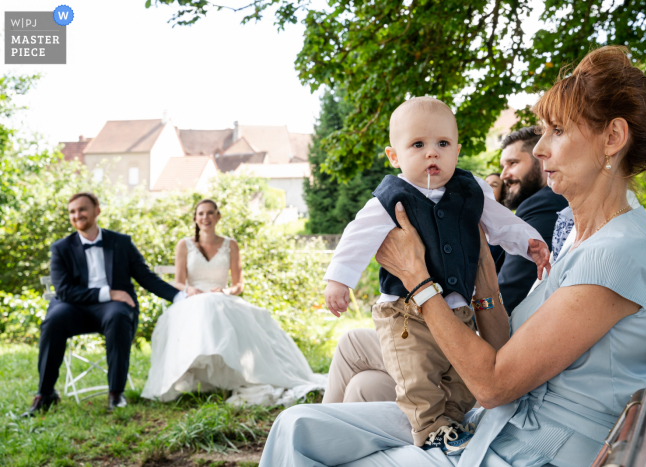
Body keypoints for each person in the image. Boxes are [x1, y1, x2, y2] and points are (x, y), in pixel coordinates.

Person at [260, 45, 646, 466]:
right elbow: (512, 352)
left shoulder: (617, 253)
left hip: (526, 449)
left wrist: (417, 280)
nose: (540, 149)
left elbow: (493, 384)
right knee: (297, 425)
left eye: (558, 131)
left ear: (613, 138)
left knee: (307, 440)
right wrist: (485, 283)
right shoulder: (581, 237)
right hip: (497, 424)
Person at [324, 96, 551, 454]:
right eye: (418, 145)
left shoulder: (470, 188)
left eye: (442, 144)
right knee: (418, 376)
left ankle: (453, 421)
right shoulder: (392, 196)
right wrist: (339, 280)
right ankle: (430, 428)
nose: (432, 153)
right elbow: (358, 235)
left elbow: (501, 222)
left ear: (457, 150)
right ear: (394, 156)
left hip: (458, 314)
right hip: (405, 314)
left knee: (461, 377)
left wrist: (529, 242)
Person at [141, 199, 326, 405]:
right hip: (193, 299)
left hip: (222, 297)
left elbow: (239, 285)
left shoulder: (231, 245)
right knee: (203, 306)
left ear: (218, 216)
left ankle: (238, 374)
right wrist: (188, 289)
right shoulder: (184, 245)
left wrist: (226, 290)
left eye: (210, 213)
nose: (205, 218)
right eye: (201, 214)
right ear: (195, 218)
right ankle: (192, 373)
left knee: (218, 306)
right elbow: (177, 282)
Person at [22, 193, 185, 417]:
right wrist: (110, 292)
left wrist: (178, 296)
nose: (77, 215)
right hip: (74, 305)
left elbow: (145, 277)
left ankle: (116, 394)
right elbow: (64, 291)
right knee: (53, 321)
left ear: (97, 210)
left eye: (82, 209)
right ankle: (45, 394)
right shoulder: (61, 247)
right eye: (72, 211)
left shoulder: (121, 242)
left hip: (113, 308)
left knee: (119, 317)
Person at [498, 127, 569, 314]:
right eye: (502, 167)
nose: (503, 175)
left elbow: (510, 294)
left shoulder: (542, 204)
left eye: (512, 163)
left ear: (543, 160)